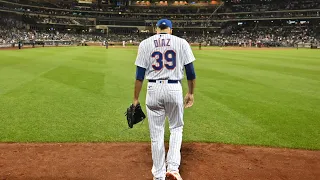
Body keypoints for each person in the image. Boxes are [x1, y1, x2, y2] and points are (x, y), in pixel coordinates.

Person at [132, 19, 196, 180]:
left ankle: (159, 175)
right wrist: (190, 93)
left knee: (156, 134)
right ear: (170, 30)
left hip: (153, 89)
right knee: (176, 128)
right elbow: (191, 72)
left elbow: (139, 76)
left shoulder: (146, 43)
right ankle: (173, 169)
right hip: (174, 88)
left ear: (156, 30)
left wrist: (135, 99)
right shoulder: (181, 42)